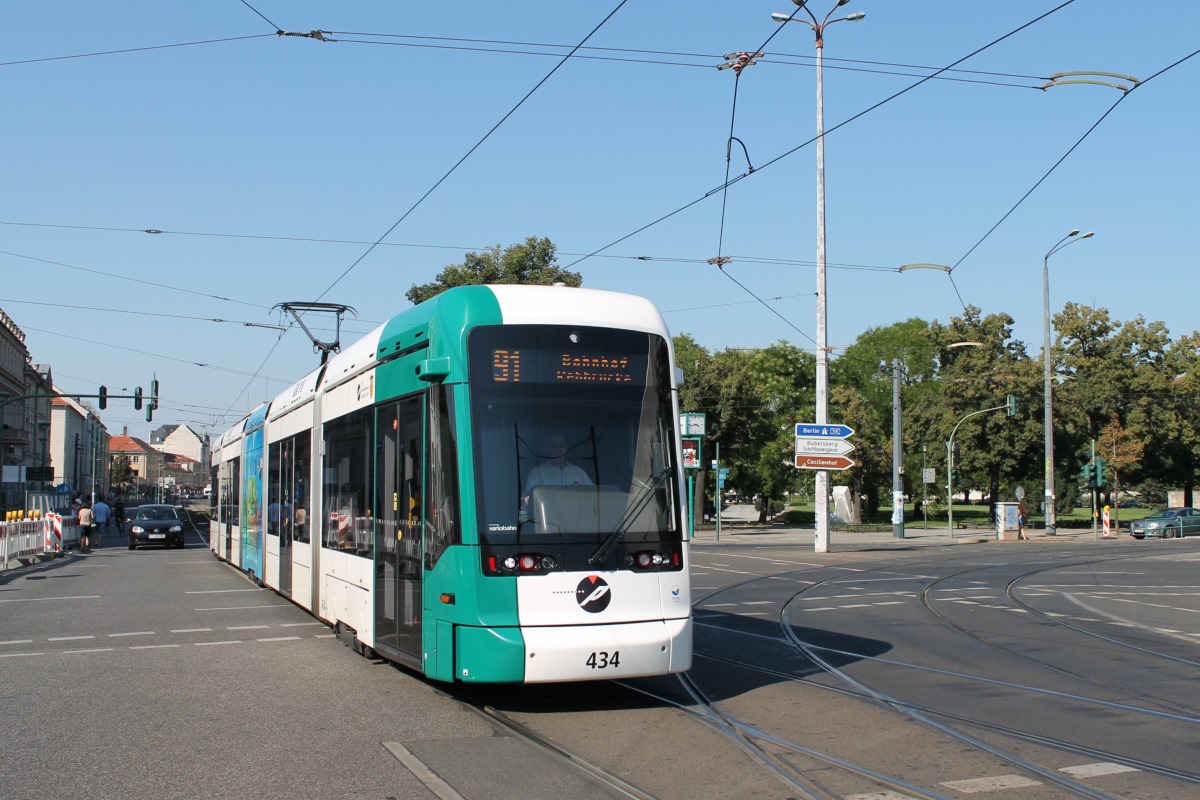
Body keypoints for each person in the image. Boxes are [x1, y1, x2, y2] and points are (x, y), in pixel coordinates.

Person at [523, 433, 593, 501]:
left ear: (566, 448)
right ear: (546, 449)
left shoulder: (579, 472)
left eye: (562, 446)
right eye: (554, 446)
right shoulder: (536, 473)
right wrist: (523, 512)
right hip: (547, 513)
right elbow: (526, 500)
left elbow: (594, 496)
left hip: (578, 513)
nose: (559, 449)